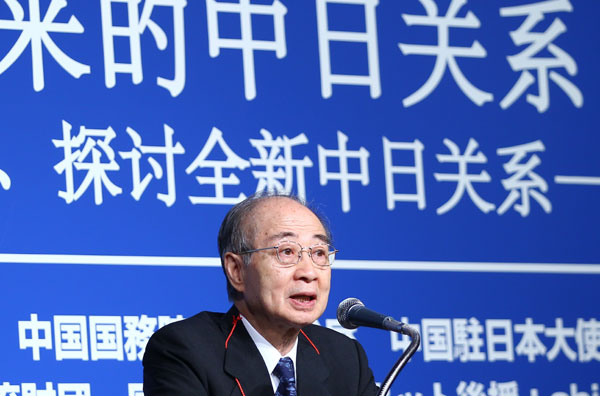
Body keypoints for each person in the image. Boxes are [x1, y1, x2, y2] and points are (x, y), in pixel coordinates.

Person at [143, 192, 378, 396]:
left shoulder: (345, 357)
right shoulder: (185, 350)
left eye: (319, 253)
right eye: (286, 251)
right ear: (236, 270)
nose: (309, 272)